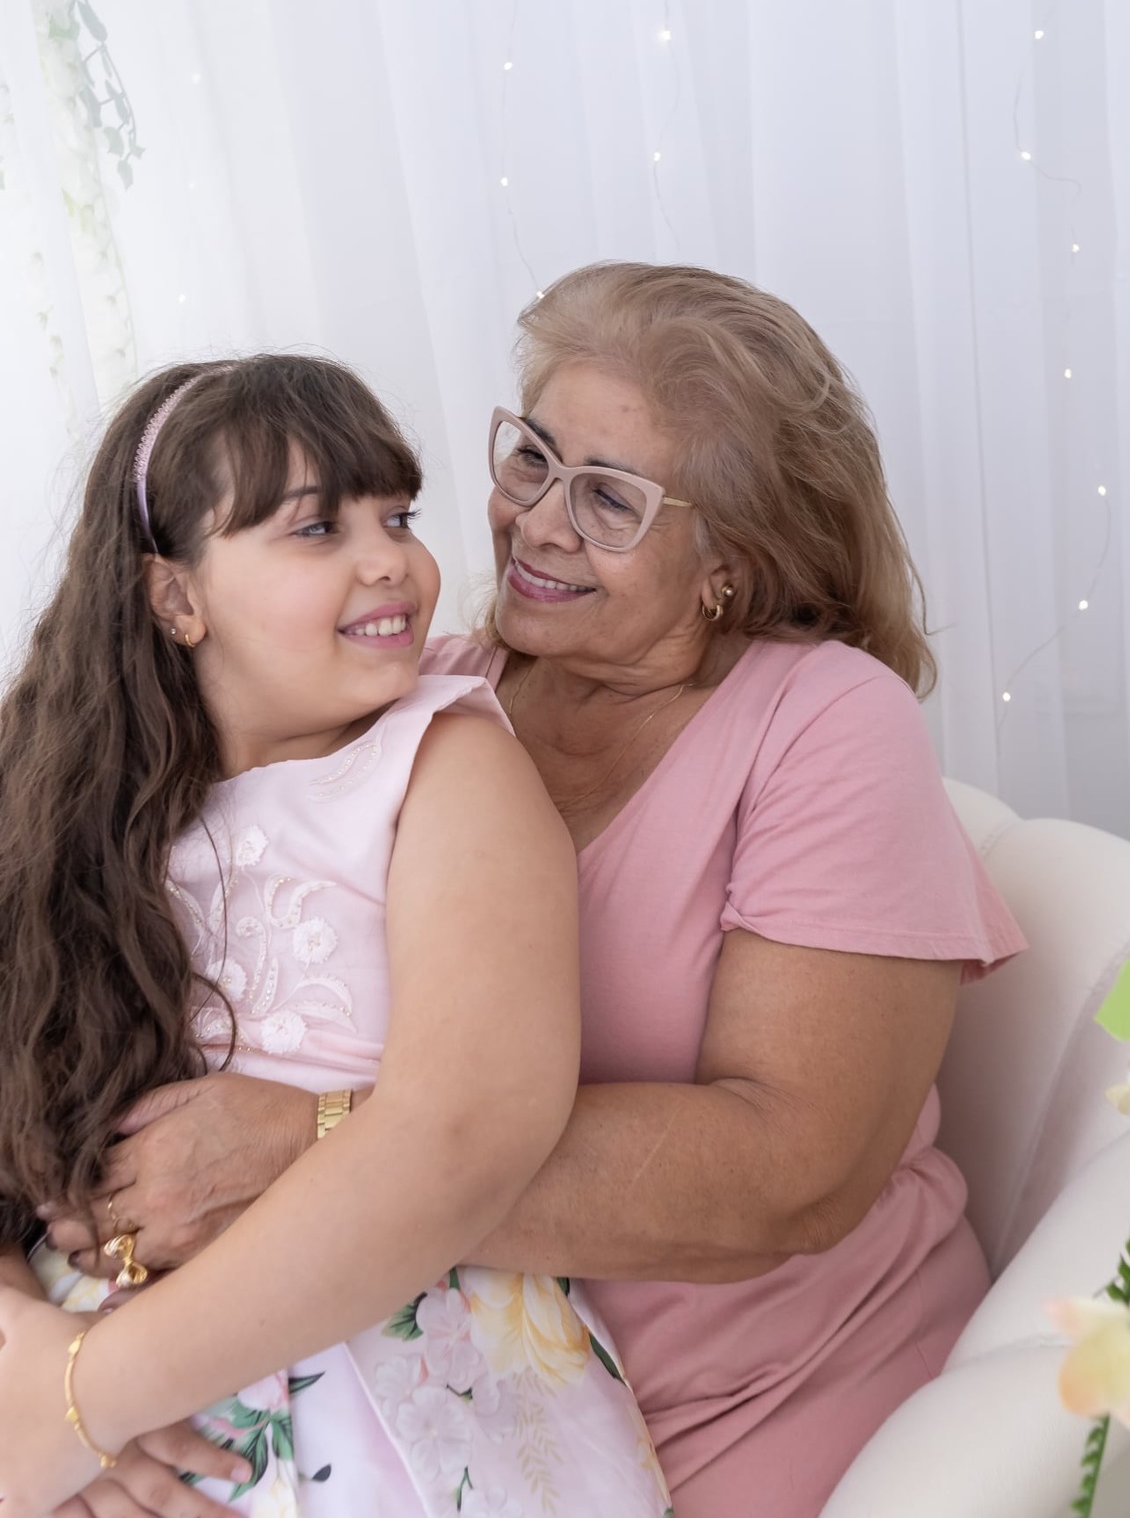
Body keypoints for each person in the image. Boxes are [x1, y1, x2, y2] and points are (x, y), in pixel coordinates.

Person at [42, 266, 1026, 1518]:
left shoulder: (827, 723)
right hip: (385, 1374)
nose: (539, 524)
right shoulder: (405, 701)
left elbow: (794, 1172)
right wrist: (63, 1368)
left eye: (610, 499)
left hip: (752, 1407)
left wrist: (306, 1143)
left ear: (733, 555)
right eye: (532, 462)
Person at [0, 354, 672, 1518]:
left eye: (398, 514)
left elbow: (463, 1131)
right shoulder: (63, 806)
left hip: (404, 1383)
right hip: (90, 1401)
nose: (391, 560)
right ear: (176, 599)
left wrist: (85, 1400)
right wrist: (28, 1368)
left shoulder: (447, 764)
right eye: (316, 529)